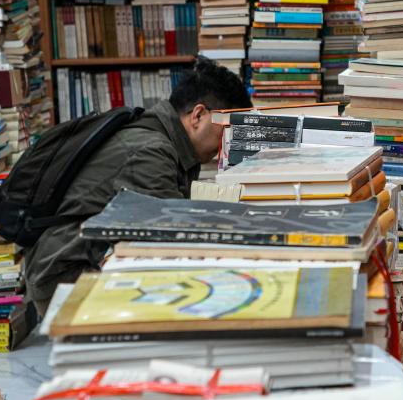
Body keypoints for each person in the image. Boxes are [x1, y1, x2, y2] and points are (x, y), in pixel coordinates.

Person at [21, 56, 252, 313]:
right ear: (198, 115)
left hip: (82, 262)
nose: (228, 143)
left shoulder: (160, 137)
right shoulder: (152, 152)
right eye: (228, 130)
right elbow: (171, 240)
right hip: (66, 274)